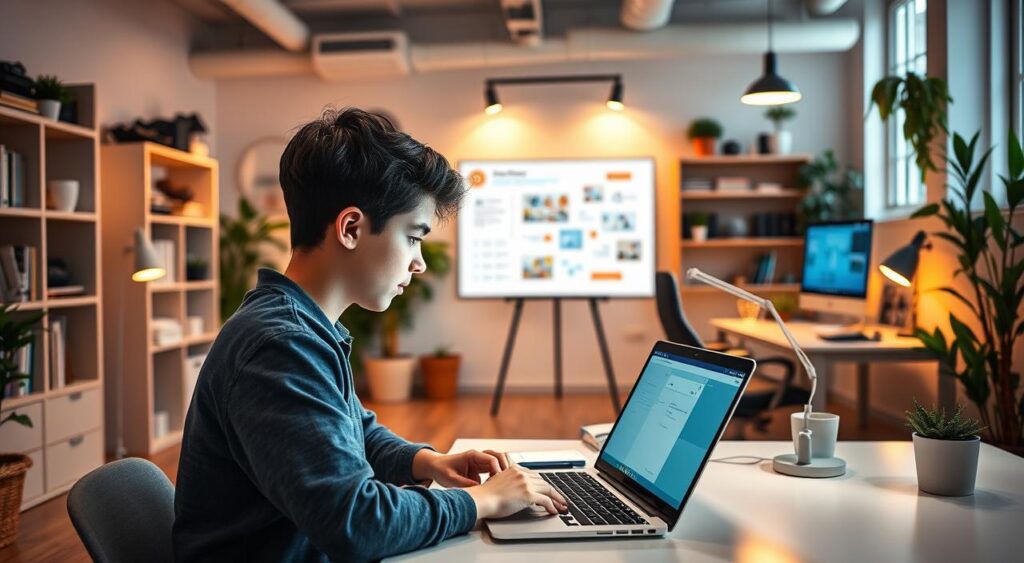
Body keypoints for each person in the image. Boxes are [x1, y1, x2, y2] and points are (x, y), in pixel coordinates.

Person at [173, 108, 567, 562]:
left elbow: (349, 429)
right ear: (351, 228)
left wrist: (427, 462)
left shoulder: (299, 324)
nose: (418, 263)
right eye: (414, 236)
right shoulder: (280, 343)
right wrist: (484, 501)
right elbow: (357, 524)